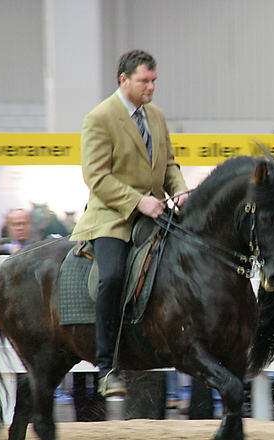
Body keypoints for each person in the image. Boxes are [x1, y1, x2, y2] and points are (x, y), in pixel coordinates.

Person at [70, 50, 188, 397]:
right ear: (124, 80)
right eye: (144, 81)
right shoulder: (100, 118)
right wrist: (138, 201)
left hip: (158, 211)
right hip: (112, 217)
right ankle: (107, 366)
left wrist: (179, 190)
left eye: (154, 81)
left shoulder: (157, 117)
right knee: (113, 277)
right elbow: (97, 176)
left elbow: (169, 165)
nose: (151, 87)